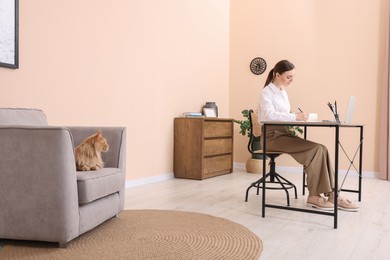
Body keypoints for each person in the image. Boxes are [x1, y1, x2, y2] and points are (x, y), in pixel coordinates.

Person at [258, 60, 359, 211]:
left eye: (293, 77)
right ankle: (314, 196)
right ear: (277, 75)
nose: (291, 80)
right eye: (288, 77)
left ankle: (332, 194)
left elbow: (284, 115)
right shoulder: (266, 92)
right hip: (271, 138)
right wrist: (294, 117)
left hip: (283, 134)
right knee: (315, 150)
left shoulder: (283, 93)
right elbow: (269, 115)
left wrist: (297, 116)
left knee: (322, 148)